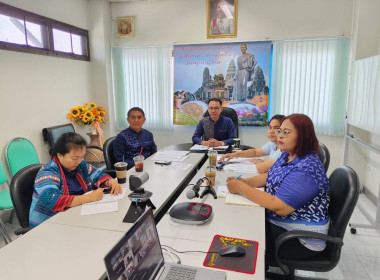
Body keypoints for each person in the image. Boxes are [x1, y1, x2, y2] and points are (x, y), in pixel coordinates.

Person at [226, 114, 330, 267]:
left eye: (285, 132)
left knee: (242, 237)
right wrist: (244, 181)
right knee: (239, 221)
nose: (279, 135)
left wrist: (243, 188)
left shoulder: (306, 168)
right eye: (279, 131)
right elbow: (269, 176)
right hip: (282, 225)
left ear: (303, 136)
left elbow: (279, 207)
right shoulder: (287, 154)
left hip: (299, 240)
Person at [29, 132, 122, 227]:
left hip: (74, 216)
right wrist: (90, 197)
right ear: (60, 155)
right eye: (75, 158)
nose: (78, 161)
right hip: (48, 224)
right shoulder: (48, 171)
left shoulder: (80, 165)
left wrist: (110, 181)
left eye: (81, 157)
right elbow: (53, 200)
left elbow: (96, 174)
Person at [220, 114, 285, 173]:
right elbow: (255, 152)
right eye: (270, 127)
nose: (271, 131)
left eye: (276, 128)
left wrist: (258, 162)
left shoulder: (284, 150)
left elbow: (261, 169)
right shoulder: (272, 144)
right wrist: (234, 154)